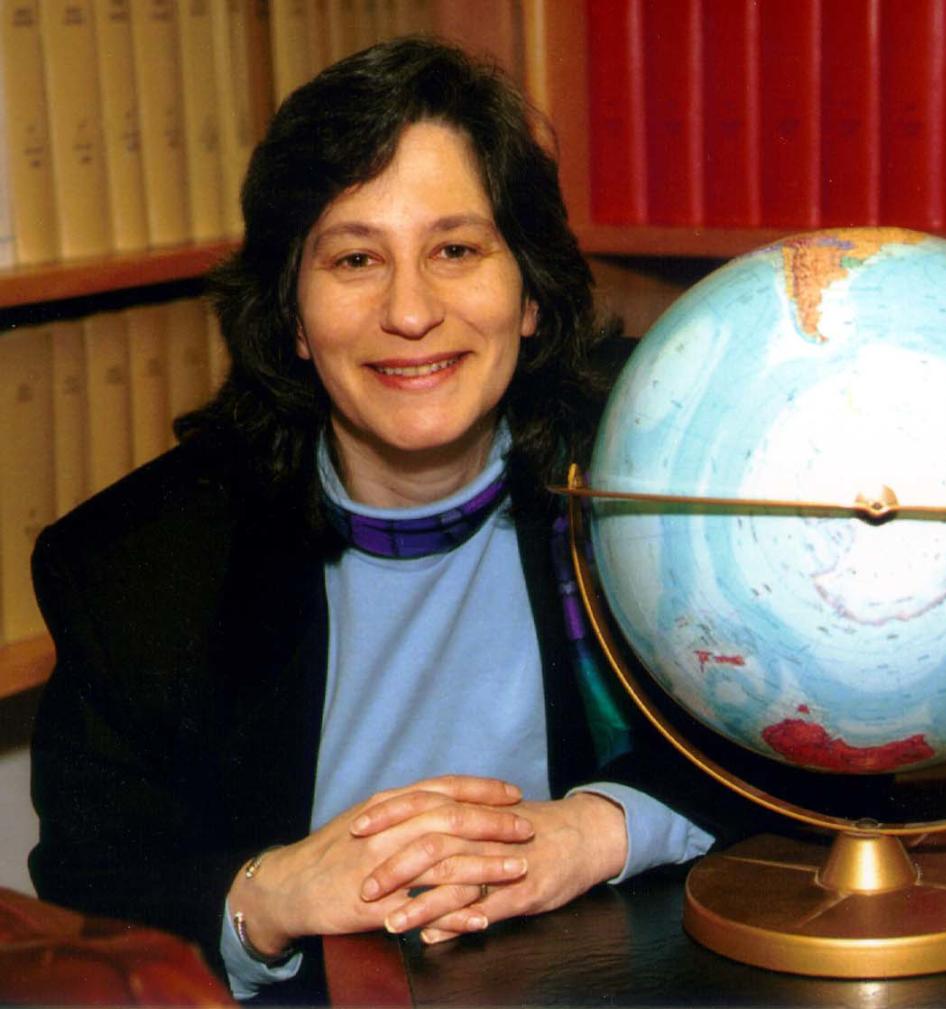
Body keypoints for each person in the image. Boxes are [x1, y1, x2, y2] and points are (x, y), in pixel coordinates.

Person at [27, 37, 722, 1003]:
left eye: (456, 249)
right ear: (295, 319)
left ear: (529, 293)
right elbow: (94, 887)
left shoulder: (663, 482)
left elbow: (816, 754)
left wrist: (596, 829)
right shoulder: (135, 564)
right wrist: (268, 895)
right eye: (357, 257)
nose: (410, 311)